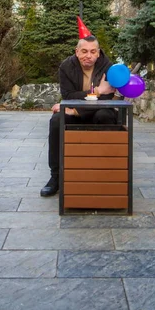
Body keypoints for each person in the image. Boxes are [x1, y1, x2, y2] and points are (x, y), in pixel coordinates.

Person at [40, 35, 118, 197]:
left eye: (92, 51)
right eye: (84, 51)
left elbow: (107, 98)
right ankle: (55, 177)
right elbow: (68, 96)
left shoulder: (108, 67)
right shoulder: (66, 67)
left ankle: (107, 173)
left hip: (98, 111)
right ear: (76, 52)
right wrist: (98, 91)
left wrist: (76, 110)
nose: (88, 55)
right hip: (74, 110)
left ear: (98, 53)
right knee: (56, 120)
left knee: (105, 115)